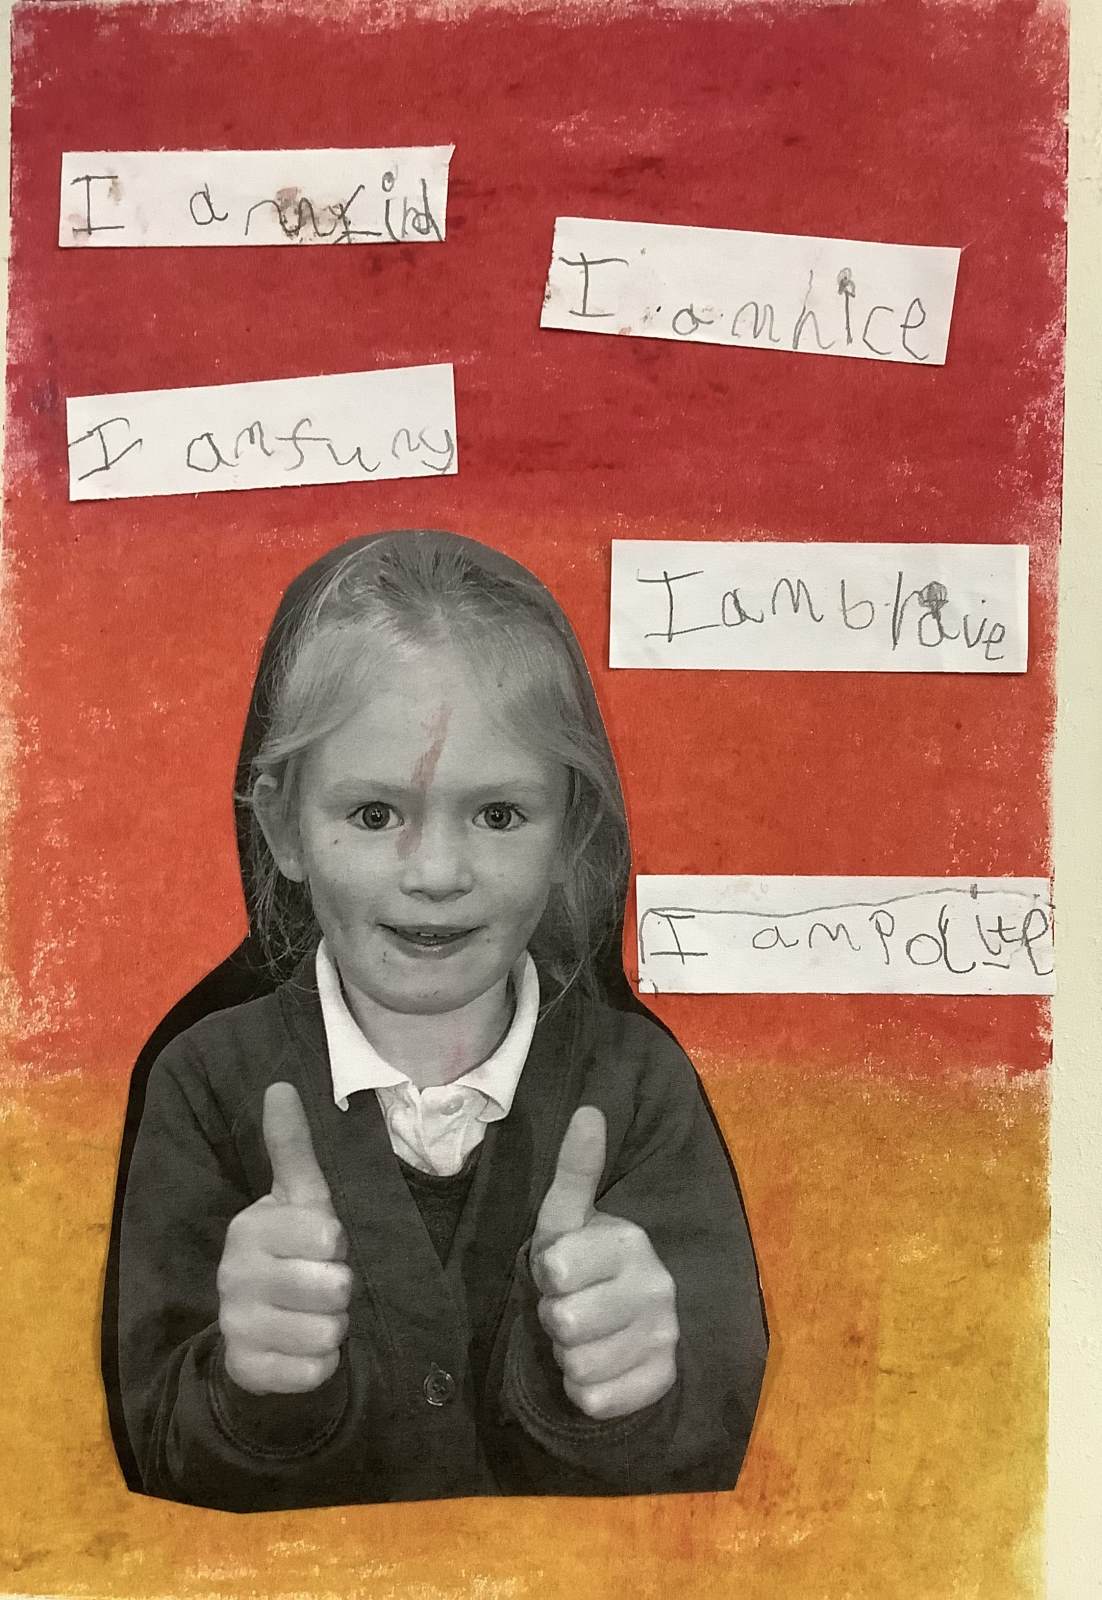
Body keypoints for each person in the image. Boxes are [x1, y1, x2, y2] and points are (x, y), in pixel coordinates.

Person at [111, 529, 767, 1511]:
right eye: (374, 815)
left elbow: (714, 1449)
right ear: (284, 828)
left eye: (498, 814)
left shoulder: (638, 1088)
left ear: (570, 829)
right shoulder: (204, 1085)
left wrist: (628, 1385)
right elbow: (159, 1459)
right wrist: (256, 1386)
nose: (435, 874)